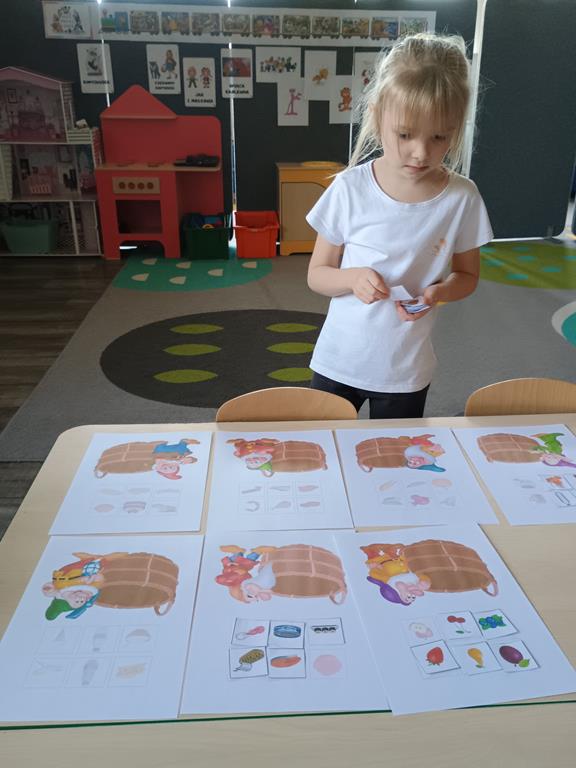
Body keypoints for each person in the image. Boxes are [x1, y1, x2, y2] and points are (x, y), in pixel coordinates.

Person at [306, 33, 493, 418]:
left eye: (439, 137)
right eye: (405, 134)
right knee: (325, 447)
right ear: (377, 116)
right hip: (338, 361)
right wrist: (352, 278)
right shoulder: (350, 188)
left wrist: (439, 292)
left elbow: (468, 276)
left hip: (405, 371)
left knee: (395, 453)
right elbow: (317, 275)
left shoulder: (462, 198)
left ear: (456, 128)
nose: (421, 152)